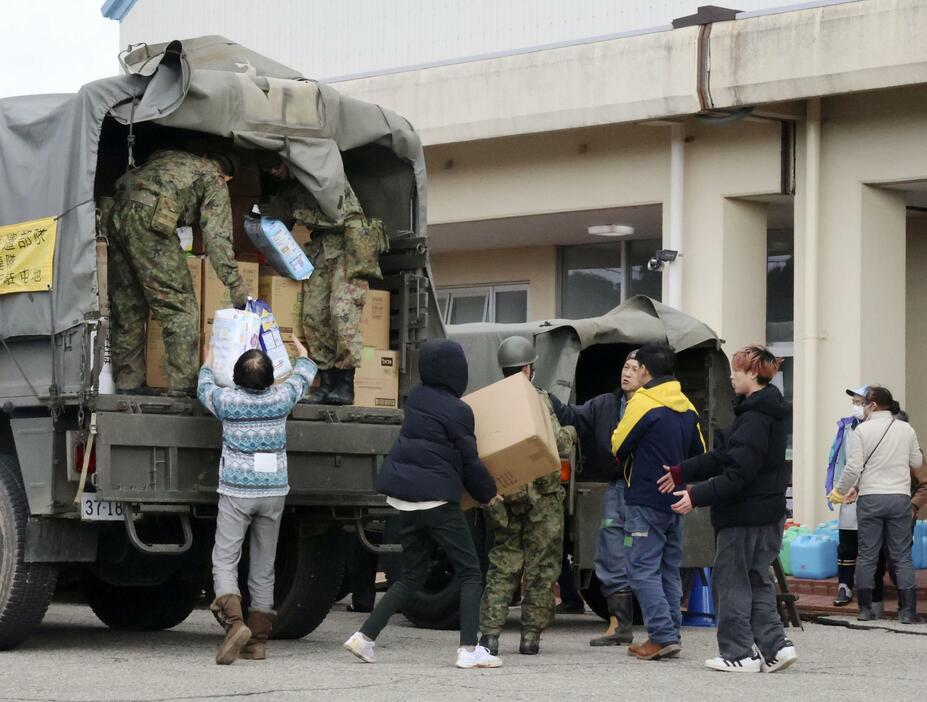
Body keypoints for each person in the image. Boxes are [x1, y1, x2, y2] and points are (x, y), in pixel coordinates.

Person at [343, 339, 503, 669]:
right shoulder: (460, 411)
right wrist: (489, 493)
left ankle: (364, 637)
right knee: (472, 572)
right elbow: (470, 462)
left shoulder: (415, 398)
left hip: (403, 498)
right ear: (456, 372)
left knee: (411, 577)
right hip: (436, 501)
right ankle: (469, 649)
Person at [660, 345, 796, 674]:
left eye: (737, 370)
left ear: (753, 373)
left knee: (731, 582)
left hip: (744, 516)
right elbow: (726, 457)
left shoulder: (754, 418)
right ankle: (776, 648)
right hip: (768, 513)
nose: (732, 376)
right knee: (756, 578)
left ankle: (738, 654)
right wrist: (683, 471)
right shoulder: (764, 412)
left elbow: (738, 474)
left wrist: (696, 496)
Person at [198, 339, 317, 665]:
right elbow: (303, 377)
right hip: (274, 492)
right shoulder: (281, 398)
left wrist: (208, 361)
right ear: (270, 379)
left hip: (237, 492)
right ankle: (258, 642)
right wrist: (301, 354)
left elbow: (204, 387)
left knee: (225, 560)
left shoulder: (228, 401)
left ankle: (235, 626)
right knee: (264, 568)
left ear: (236, 378)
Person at [108, 149, 250, 395]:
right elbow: (217, 238)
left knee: (128, 303)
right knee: (181, 309)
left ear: (207, 156)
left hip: (118, 211)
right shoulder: (214, 179)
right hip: (150, 221)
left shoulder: (170, 157)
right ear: (228, 177)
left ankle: (128, 383)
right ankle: (182, 389)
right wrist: (236, 285)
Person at [477, 336, 577, 656]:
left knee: (503, 565)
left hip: (505, 498)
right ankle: (530, 637)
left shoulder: (490, 401)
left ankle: (490, 636)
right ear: (526, 368)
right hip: (543, 500)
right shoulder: (538, 398)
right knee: (541, 568)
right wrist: (573, 433)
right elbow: (557, 442)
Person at [262, 166, 389, 405]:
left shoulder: (325, 176)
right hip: (319, 250)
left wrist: (296, 213)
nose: (274, 171)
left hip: (347, 249)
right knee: (313, 317)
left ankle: (345, 383)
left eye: (277, 165)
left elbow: (345, 216)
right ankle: (327, 382)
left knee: (341, 313)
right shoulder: (291, 187)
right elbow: (285, 216)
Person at [610, 341, 704, 661]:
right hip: (676, 500)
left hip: (646, 499)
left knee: (641, 569)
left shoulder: (643, 402)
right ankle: (670, 633)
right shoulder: (687, 406)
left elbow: (618, 444)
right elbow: (700, 454)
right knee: (668, 569)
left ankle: (661, 635)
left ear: (646, 371)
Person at [550, 349, 642, 647]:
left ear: (648, 374)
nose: (626, 373)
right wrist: (543, 395)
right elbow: (572, 415)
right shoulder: (606, 404)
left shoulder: (655, 407)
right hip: (616, 488)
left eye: (634, 368)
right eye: (624, 366)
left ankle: (665, 631)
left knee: (647, 559)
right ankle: (619, 626)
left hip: (646, 491)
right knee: (610, 554)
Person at [829, 386, 927, 625]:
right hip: (899, 497)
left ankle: (865, 611)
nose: (860, 407)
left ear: (873, 405)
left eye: (863, 403)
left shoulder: (862, 431)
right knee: (901, 556)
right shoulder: (906, 429)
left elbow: (853, 468)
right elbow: (916, 461)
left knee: (868, 554)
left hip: (871, 498)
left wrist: (839, 492)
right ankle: (908, 612)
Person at [825, 384, 893, 611]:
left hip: (872, 493)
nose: (855, 407)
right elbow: (839, 459)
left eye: (859, 402)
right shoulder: (846, 427)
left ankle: (873, 591)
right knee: (847, 543)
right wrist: (838, 488)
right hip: (848, 494)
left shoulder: (883, 428)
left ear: (871, 405)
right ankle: (844, 584)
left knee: (873, 545)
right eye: (853, 402)